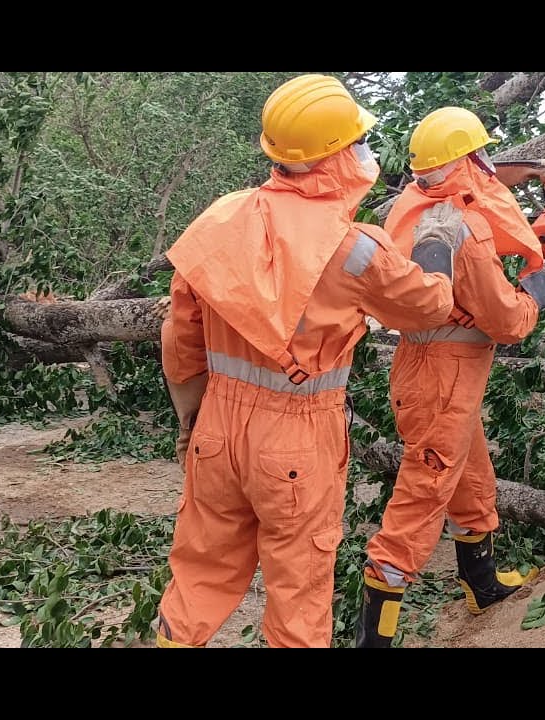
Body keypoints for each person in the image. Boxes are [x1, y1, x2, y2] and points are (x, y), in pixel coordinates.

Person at [155, 74, 461, 648]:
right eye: (359, 141)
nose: (366, 151)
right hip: (298, 437)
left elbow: (181, 335)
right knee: (299, 588)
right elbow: (429, 305)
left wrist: (191, 421)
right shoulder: (355, 248)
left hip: (216, 425)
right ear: (338, 155)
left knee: (199, 572)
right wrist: (436, 244)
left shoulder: (221, 218)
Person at [354, 106, 545, 648]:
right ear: (469, 159)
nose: (486, 163)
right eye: (480, 154)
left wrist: (539, 167)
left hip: (430, 368)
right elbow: (508, 321)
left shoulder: (416, 201)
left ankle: (483, 585)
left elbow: (482, 175)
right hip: (445, 377)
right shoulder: (467, 235)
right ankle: (373, 636)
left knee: (472, 479)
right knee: (425, 491)